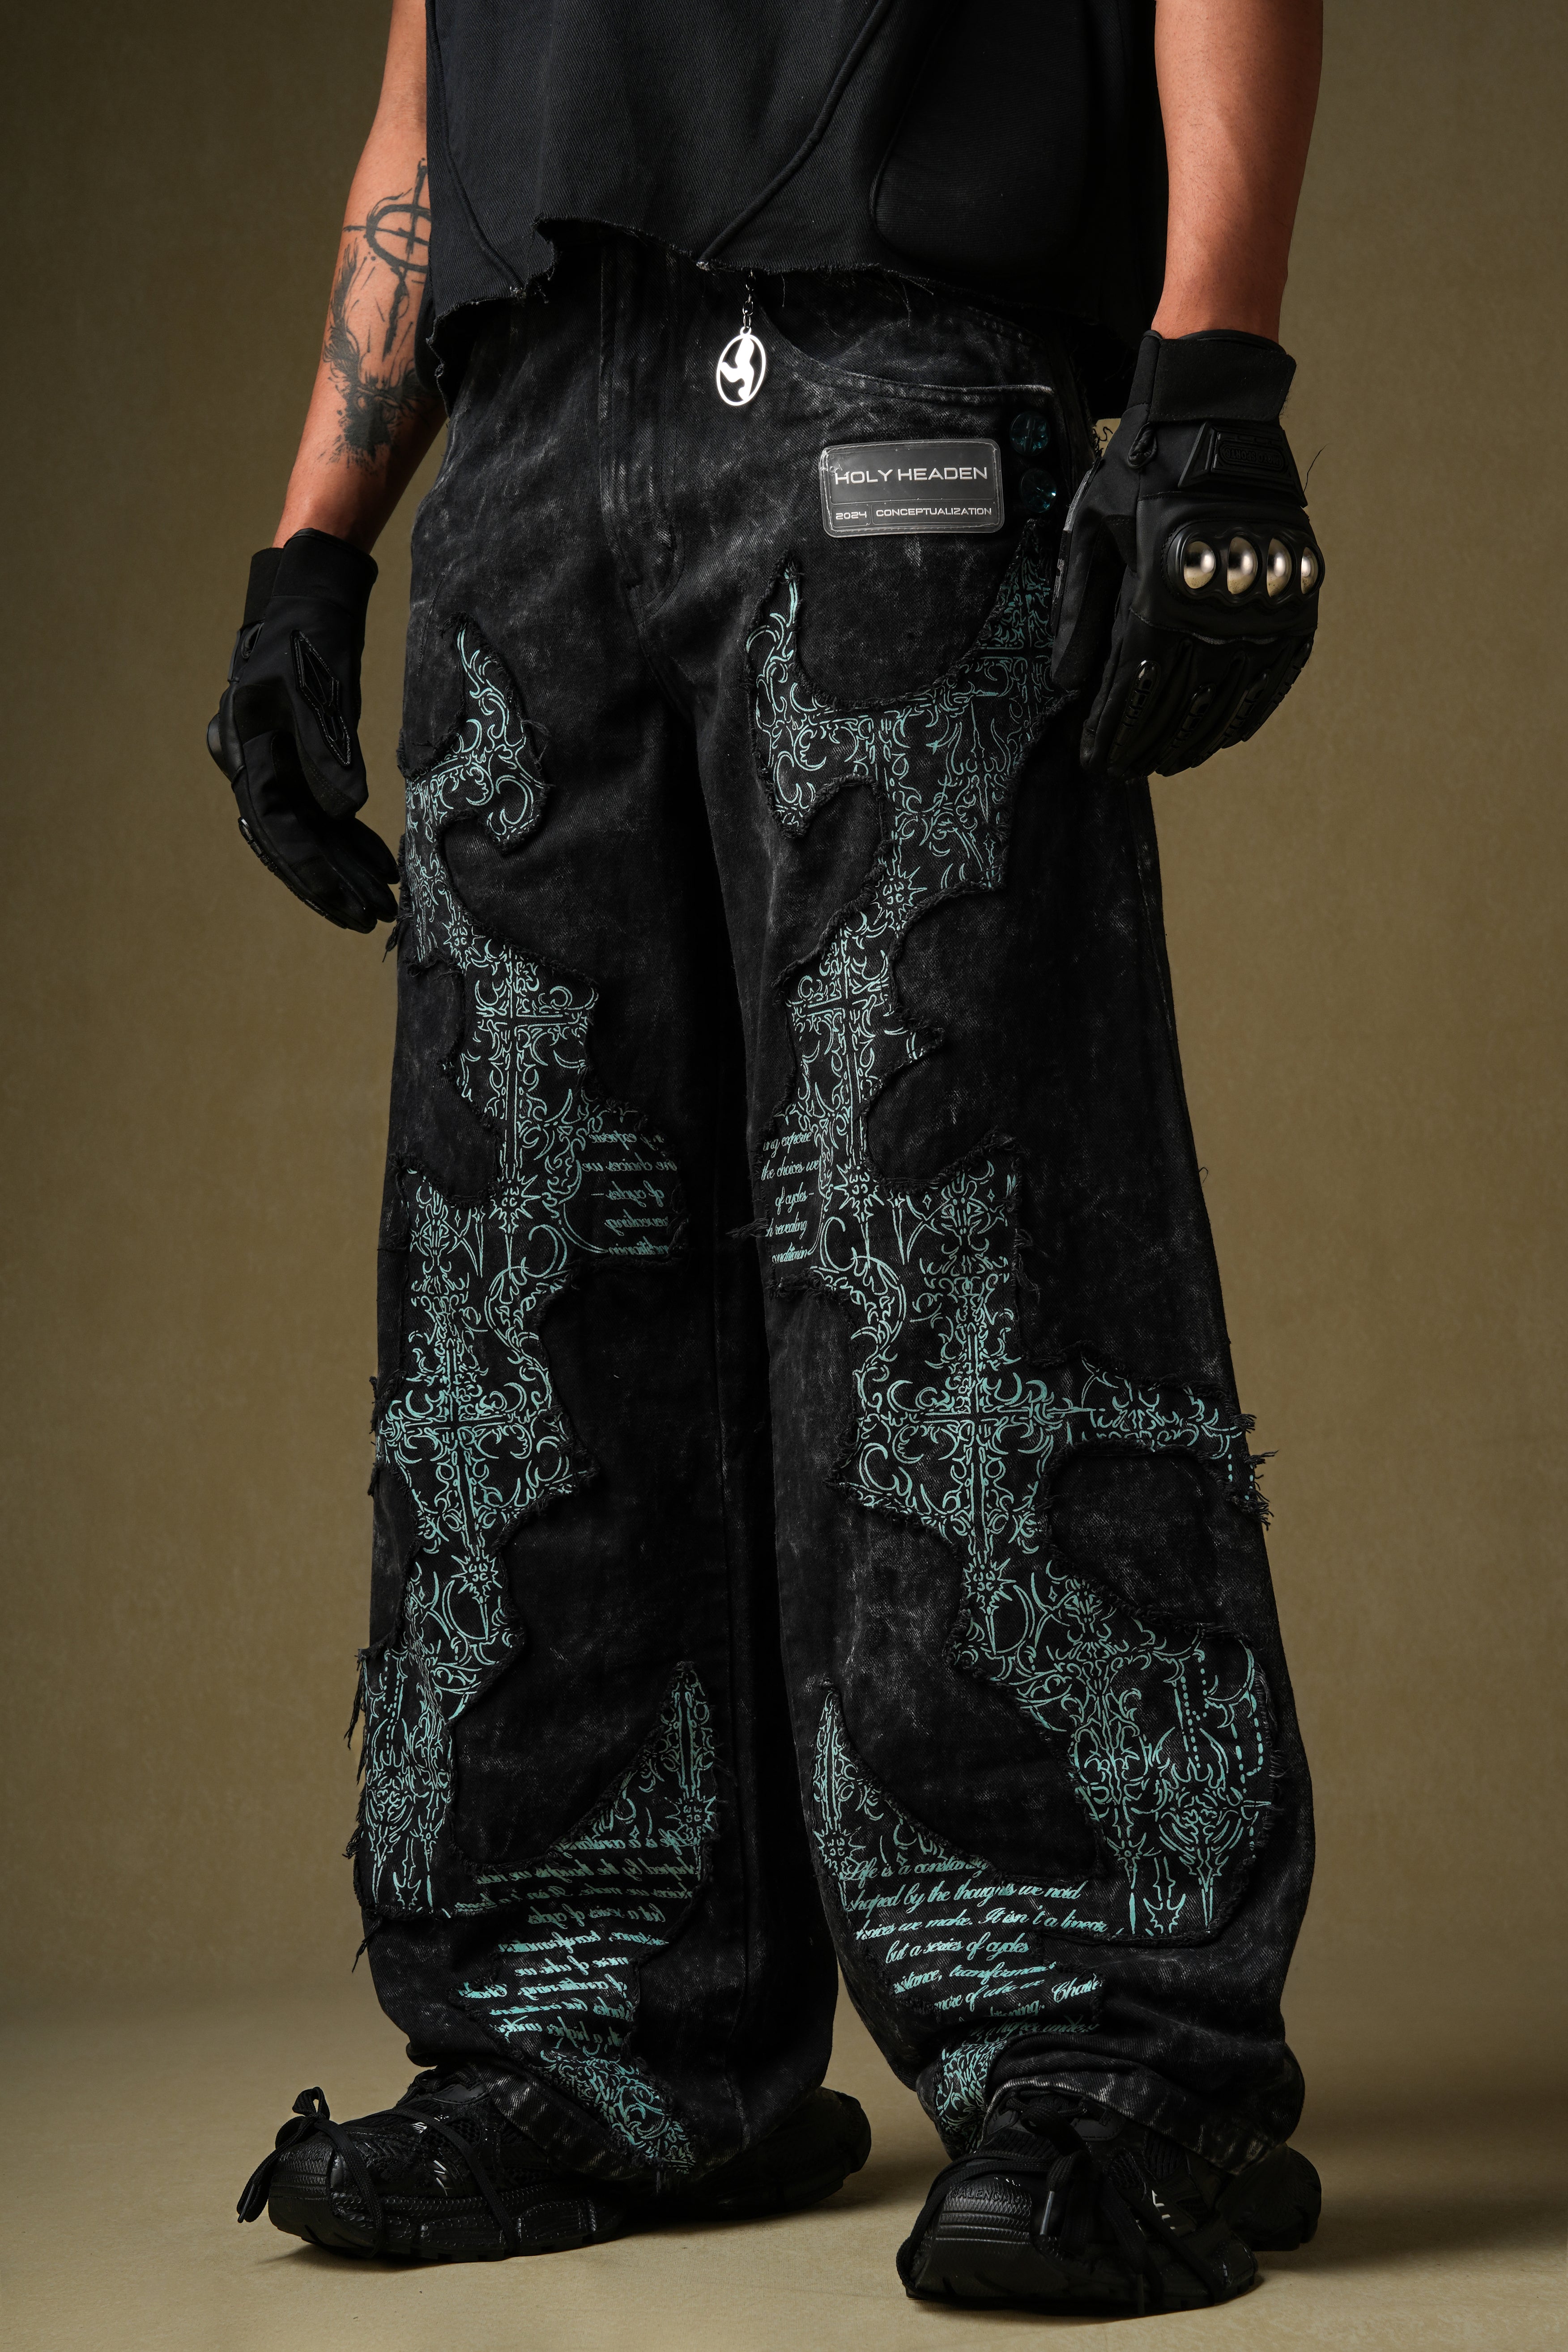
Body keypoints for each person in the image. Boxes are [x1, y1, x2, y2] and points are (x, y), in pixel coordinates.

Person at [220, 0, 1327, 2314]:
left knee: (949, 1228)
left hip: (885, 352)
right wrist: (317, 539)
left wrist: (1215, 373)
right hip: (527, 423)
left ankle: (1119, 2056)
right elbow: (432, 73)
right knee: (527, 1267)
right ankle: (593, 2036)